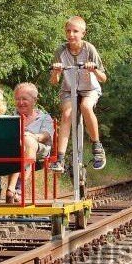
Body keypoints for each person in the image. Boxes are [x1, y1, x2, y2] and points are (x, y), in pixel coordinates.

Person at [49, 16, 107, 173]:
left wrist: (93, 68)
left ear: (83, 33)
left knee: (86, 107)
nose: (71, 34)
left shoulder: (89, 49)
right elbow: (54, 81)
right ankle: (59, 159)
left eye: (75, 31)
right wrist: (56, 71)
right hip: (69, 89)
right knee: (67, 114)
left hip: (89, 89)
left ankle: (97, 147)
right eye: (68, 31)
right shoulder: (61, 50)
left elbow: (103, 78)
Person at [5, 83, 54, 204]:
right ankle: (7, 190)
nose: (20, 102)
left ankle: (17, 188)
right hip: (16, 148)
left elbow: (46, 135)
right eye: (17, 99)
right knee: (19, 146)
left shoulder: (44, 117)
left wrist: (31, 136)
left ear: (34, 100)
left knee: (29, 142)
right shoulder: (11, 117)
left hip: (39, 148)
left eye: (24, 99)